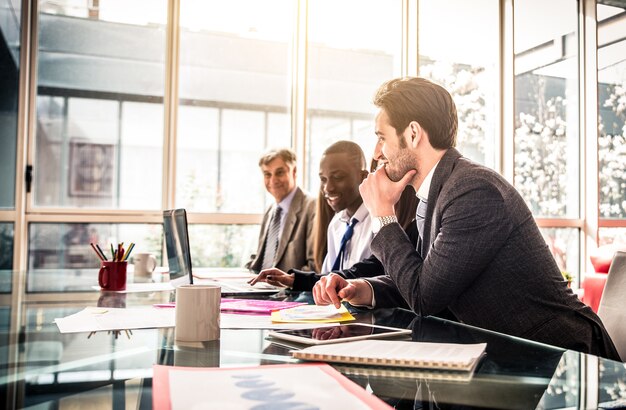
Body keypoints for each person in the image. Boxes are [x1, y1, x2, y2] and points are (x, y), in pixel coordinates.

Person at [312, 77, 620, 360]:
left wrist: (382, 215)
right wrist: (364, 288)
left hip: (560, 360)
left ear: (414, 133)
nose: (377, 152)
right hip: (504, 357)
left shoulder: (473, 190)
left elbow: (424, 297)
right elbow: (427, 277)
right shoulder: (439, 192)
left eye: (382, 137)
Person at [249, 141, 372, 290]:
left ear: (363, 176)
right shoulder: (337, 224)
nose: (328, 188)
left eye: (338, 177)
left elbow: (365, 275)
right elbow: (326, 278)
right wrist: (292, 280)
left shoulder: (377, 223)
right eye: (323, 179)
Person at [246, 148, 316, 273]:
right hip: (261, 286)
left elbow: (314, 266)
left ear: (294, 172)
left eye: (279, 173)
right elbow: (260, 259)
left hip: (288, 290)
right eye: (267, 174)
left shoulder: (312, 207)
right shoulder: (271, 210)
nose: (273, 180)